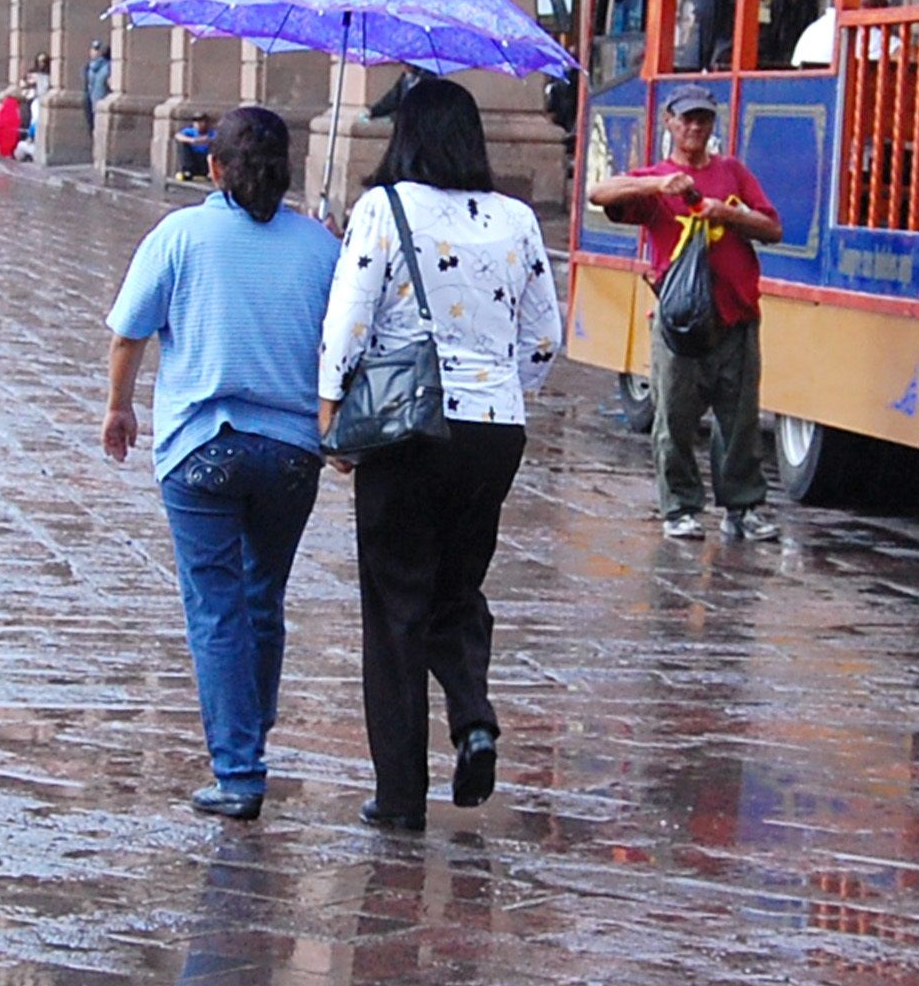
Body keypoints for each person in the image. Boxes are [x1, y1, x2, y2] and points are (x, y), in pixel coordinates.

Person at [317, 77, 563, 832]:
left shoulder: (383, 209)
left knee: (396, 604)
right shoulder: (517, 218)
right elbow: (545, 337)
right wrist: (501, 390)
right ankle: (473, 719)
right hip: (494, 430)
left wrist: (332, 412)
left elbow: (349, 318)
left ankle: (399, 797)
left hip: (408, 428)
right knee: (457, 588)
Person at [103, 106, 342, 821]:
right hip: (293, 451)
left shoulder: (178, 235)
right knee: (263, 596)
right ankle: (250, 729)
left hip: (201, 448)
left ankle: (238, 770)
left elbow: (129, 334)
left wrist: (119, 407)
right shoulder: (321, 246)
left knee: (216, 608)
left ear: (212, 167)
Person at [586, 82, 785, 541]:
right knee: (674, 418)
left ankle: (743, 507)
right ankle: (679, 508)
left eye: (704, 119)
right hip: (679, 323)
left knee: (740, 419)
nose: (695, 127)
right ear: (670, 122)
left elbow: (772, 227)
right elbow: (599, 192)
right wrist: (658, 185)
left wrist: (728, 214)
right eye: (687, 118)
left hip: (736, 315)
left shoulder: (733, 173)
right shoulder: (657, 179)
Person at [82, 39, 113, 132]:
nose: (94, 52)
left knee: (92, 129)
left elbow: (87, 85)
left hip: (91, 102)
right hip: (102, 102)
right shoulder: (109, 66)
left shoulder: (89, 67)